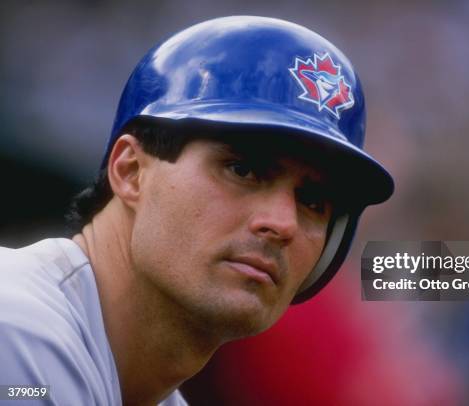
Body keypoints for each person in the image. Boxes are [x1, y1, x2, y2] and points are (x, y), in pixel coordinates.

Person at [0, 16, 393, 405]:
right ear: (132, 172)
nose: (282, 223)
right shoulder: (18, 331)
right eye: (243, 170)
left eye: (313, 203)